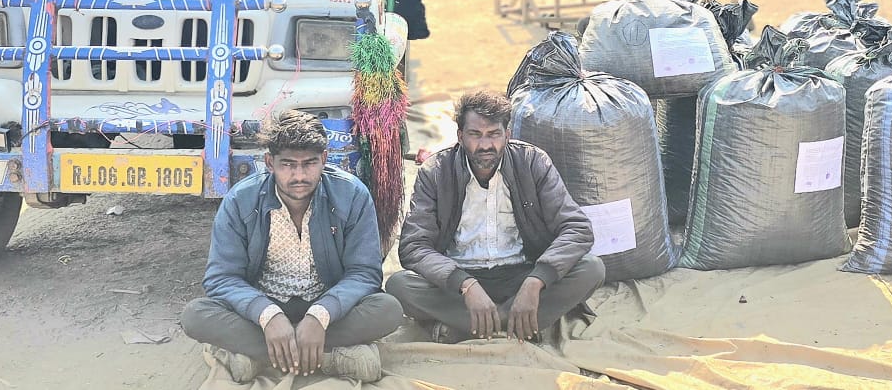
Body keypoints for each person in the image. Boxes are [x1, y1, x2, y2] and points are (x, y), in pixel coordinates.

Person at [181, 110, 402, 382]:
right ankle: (327, 358)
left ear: (324, 159)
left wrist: (320, 315)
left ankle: (260, 356)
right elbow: (222, 278)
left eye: (309, 163)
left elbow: (364, 273)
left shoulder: (352, 195)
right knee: (195, 315)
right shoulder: (240, 200)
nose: (299, 175)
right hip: (261, 308)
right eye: (287, 164)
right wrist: (268, 315)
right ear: (269, 163)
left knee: (388, 309)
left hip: (327, 306)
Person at [387, 89, 605, 344]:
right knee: (399, 286)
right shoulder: (435, 172)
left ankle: (474, 326)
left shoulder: (533, 162)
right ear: (460, 136)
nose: (485, 145)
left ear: (507, 135)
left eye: (493, 134)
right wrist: (466, 284)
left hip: (522, 274)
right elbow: (414, 246)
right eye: (475, 134)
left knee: (592, 269)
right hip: (459, 281)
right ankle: (518, 323)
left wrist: (536, 281)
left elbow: (577, 228)